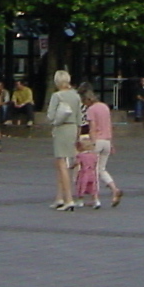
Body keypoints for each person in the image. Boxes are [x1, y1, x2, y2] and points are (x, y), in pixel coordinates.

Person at [45, 71, 82, 209]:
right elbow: (79, 118)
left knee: (61, 163)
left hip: (61, 129)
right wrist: (77, 136)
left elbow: (50, 116)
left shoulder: (57, 96)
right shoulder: (76, 95)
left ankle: (68, 199)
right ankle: (59, 197)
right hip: (73, 128)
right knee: (65, 162)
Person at [81, 84, 121, 208]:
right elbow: (109, 126)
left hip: (97, 141)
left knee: (93, 172)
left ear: (88, 100)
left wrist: (91, 144)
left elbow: (92, 128)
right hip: (107, 141)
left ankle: (95, 198)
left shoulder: (91, 110)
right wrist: (111, 142)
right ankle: (114, 189)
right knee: (101, 169)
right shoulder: (104, 107)